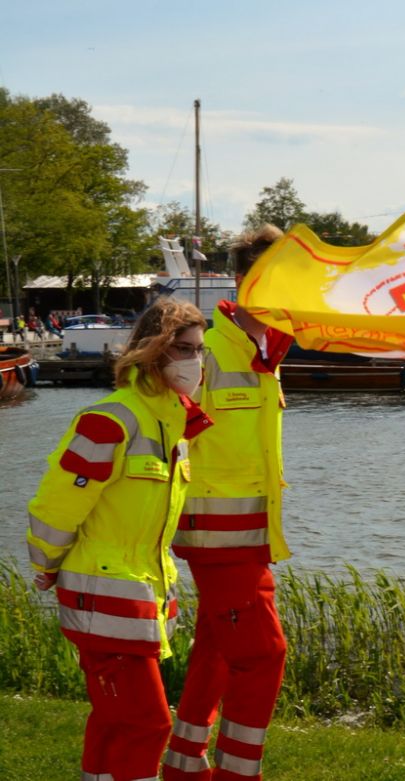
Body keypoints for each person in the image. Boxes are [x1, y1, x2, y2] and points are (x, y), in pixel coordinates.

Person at [26, 297, 211, 781]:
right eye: (184, 349)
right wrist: (45, 564)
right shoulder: (111, 419)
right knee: (147, 725)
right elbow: (57, 505)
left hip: (136, 595)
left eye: (199, 350)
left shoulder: (173, 426)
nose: (196, 361)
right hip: (104, 595)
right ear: (154, 350)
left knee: (114, 720)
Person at [163, 224, 294, 781]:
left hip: (247, 534)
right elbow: (162, 438)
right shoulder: (206, 352)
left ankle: (184, 761)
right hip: (215, 535)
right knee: (263, 653)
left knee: (217, 647)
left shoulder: (265, 352)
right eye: (270, 276)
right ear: (242, 281)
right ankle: (239, 774)